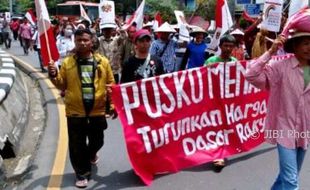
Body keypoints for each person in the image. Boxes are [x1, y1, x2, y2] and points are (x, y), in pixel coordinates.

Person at [48, 28, 117, 188]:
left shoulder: (103, 62)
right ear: (75, 42)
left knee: (97, 141)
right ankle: (82, 173)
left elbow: (111, 84)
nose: (82, 43)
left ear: (92, 41)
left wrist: (112, 105)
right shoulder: (67, 62)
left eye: (85, 40)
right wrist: (53, 74)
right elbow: (61, 84)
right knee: (76, 144)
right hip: (75, 111)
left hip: (97, 110)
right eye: (79, 40)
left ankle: (92, 153)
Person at [245, 28, 310, 189]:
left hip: (304, 130)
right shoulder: (280, 66)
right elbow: (251, 75)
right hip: (284, 129)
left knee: (286, 177)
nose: (309, 47)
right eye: (306, 43)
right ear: (295, 46)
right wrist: (271, 52)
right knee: (291, 181)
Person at [205, 34, 237, 169]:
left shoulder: (235, 61)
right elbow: (202, 79)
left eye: (231, 46)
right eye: (226, 45)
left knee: (225, 128)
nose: (228, 48)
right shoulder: (211, 61)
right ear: (220, 46)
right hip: (214, 101)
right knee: (215, 128)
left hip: (229, 102)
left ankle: (222, 152)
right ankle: (217, 155)